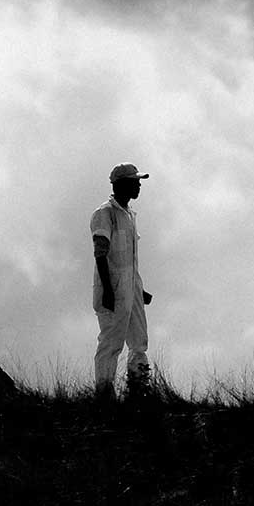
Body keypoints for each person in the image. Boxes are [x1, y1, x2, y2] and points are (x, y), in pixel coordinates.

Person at [90, 162, 154, 399]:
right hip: (114, 289)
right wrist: (108, 290)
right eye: (135, 181)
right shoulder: (104, 214)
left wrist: (140, 288)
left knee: (139, 341)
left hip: (131, 288)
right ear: (121, 184)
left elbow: (129, 259)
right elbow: (101, 253)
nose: (139, 186)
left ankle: (139, 390)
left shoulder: (128, 215)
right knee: (111, 343)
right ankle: (104, 395)